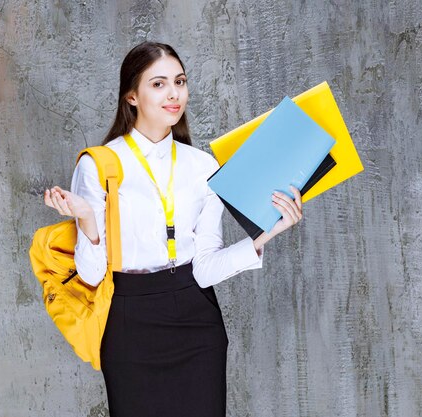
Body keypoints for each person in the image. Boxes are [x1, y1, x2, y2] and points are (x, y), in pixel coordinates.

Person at [43, 41, 302, 417]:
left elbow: (205, 267)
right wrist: (85, 218)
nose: (174, 94)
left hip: (197, 320)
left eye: (179, 81)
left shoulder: (203, 166)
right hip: (129, 316)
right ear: (131, 96)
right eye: (158, 84)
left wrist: (268, 233)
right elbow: (92, 272)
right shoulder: (100, 164)